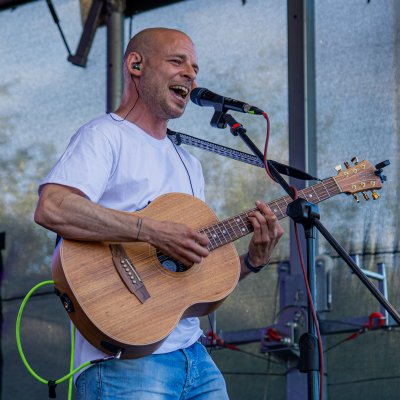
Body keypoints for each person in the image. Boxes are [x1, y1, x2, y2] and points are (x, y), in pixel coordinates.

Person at [34, 27, 284, 400]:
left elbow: (196, 282)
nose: (191, 75)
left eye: (195, 68)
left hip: (195, 359)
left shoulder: (189, 164)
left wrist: (253, 261)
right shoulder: (104, 135)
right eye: (177, 61)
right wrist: (151, 231)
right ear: (136, 65)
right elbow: (53, 206)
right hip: (122, 363)